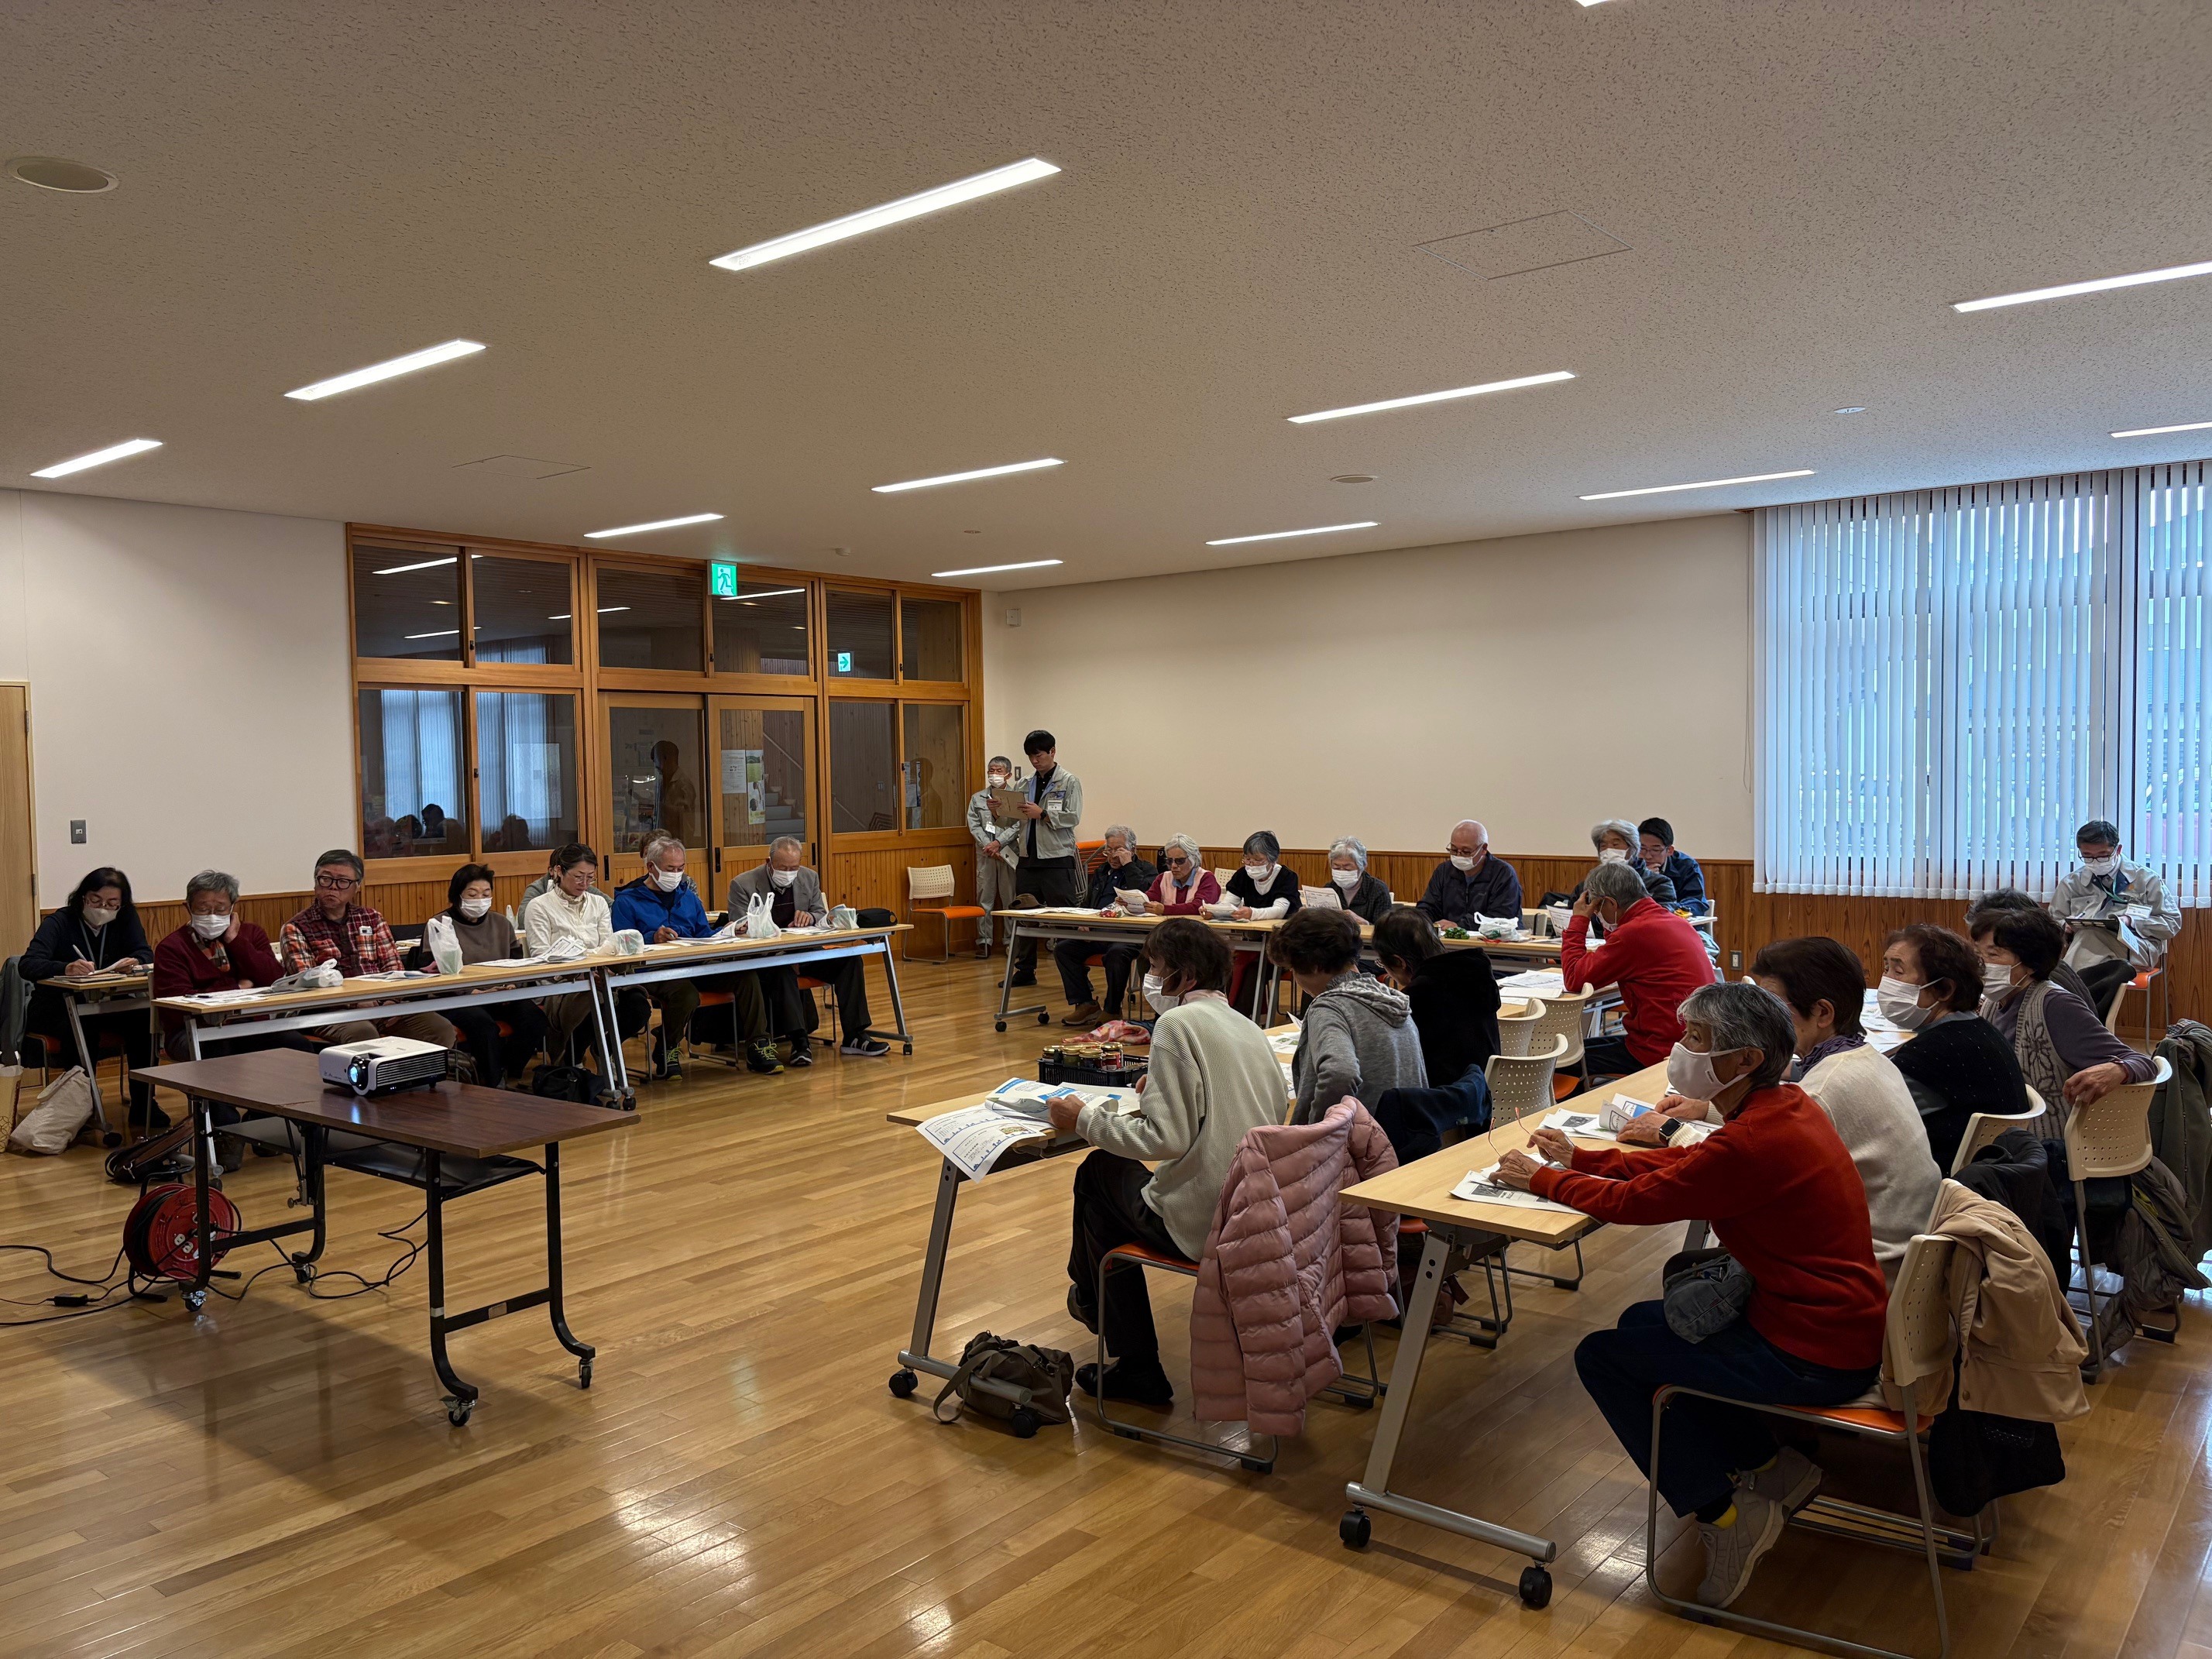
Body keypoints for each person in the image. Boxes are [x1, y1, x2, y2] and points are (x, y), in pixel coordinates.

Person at [1492, 981, 1887, 1611]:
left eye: (1696, 1039)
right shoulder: (1785, 1108)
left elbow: (1639, 1203)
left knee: (1602, 1357)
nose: (1682, 1049)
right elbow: (1687, 1170)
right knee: (1639, 1323)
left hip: (1812, 1354)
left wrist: (1546, 1179)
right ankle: (1769, 1467)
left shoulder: (1750, 1140)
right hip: (1835, 1328)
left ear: (1745, 1059)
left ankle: (1726, 1516)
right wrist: (1583, 1162)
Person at [1049, 919, 1286, 1407]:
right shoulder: (1249, 1027)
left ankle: (1099, 1309)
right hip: (1256, 1208)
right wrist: (1162, 1087)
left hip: (1205, 1217)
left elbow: (1165, 1139)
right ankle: (1116, 1337)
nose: (1150, 979)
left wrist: (1084, 1118)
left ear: (1185, 975)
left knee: (1098, 1172)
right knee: (1104, 1207)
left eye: (1156, 968)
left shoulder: (1177, 1025)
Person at [1735, 937, 1941, 1281]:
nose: (1761, 1020)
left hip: (1864, 1275)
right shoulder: (1868, 1058)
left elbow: (1742, 1169)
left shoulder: (1823, 1090)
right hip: (1906, 1261)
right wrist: (1708, 1111)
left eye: (1773, 1007)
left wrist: (1673, 1131)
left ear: (1822, 1013)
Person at [152, 869, 298, 1166]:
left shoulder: (251, 935)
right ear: (188, 908)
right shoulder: (172, 947)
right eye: (203, 909)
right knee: (216, 1052)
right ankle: (225, 1131)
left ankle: (263, 1122)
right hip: (191, 1033)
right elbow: (178, 1003)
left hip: (248, 1028)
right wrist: (239, 987)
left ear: (233, 908)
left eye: (220, 909)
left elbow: (273, 979)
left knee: (295, 1045)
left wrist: (234, 940)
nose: (212, 916)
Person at [610, 835, 780, 1077]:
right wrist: (651, 937)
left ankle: (758, 1045)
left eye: (680, 868)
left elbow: (703, 935)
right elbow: (621, 942)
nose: (676, 874)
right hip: (652, 971)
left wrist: (728, 931)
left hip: (694, 963)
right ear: (651, 867)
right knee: (686, 994)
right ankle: (667, 1047)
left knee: (747, 978)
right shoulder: (628, 900)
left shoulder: (688, 897)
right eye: (670, 869)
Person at [1971, 906, 2156, 1123]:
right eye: (1977, 954)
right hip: (2007, 1126)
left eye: (1993, 954)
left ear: (2031, 964)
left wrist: (2118, 1069)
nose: (1980, 963)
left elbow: (2143, 1062)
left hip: (2046, 1136)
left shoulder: (2055, 1005)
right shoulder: (1993, 1003)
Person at [1879, 923, 2030, 1173]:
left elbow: (1869, 1115)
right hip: (1997, 1173)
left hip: (1951, 1180)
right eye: (1886, 969)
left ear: (1944, 989)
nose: (1887, 981)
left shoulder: (1933, 1053)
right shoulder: (1977, 1028)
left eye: (1899, 971)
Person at [726, 836, 891, 1058]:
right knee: (783, 971)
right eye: (783, 868)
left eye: (794, 868)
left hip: (806, 953)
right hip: (768, 959)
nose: (789, 873)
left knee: (850, 961)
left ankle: (855, 1035)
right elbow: (740, 927)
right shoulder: (743, 884)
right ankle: (800, 1041)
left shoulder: (809, 877)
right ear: (769, 862)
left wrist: (811, 917)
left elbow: (821, 913)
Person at [279, 850, 458, 1053]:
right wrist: (354, 1003)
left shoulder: (372, 918)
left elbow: (394, 968)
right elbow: (309, 985)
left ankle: (419, 1073)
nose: (333, 887)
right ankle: (375, 1074)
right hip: (330, 1011)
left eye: (342, 881)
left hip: (381, 1004)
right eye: (325, 879)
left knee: (440, 1029)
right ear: (315, 882)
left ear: (357, 886)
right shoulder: (296, 928)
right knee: (364, 1034)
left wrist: (391, 1000)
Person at [23, 867, 159, 1129]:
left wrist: (135, 961)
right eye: (96, 901)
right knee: (83, 1027)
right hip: (58, 1007)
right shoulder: (60, 921)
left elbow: (145, 953)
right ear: (83, 897)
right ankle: (81, 1108)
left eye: (112, 903)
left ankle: (145, 1103)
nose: (103, 908)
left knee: (145, 1020)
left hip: (107, 1004)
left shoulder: (126, 919)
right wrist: (65, 968)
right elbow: (28, 964)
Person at [1561, 859, 1713, 1079]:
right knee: (1576, 1050)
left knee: (1560, 1061)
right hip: (1690, 1043)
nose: (1595, 914)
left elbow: (1574, 979)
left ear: (1610, 903)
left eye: (1597, 908)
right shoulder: (1672, 921)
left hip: (1660, 1051)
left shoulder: (1634, 933)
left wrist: (1578, 921)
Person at [1272, 908, 1425, 1124]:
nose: (1296, 979)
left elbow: (1340, 1072)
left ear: (1314, 966)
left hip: (1359, 1137)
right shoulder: (1392, 999)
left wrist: (1318, 1129)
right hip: (1402, 1132)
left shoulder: (1329, 1007)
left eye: (1294, 969)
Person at [521, 842, 648, 1103]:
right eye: (579, 876)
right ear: (558, 871)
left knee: (637, 1005)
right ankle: (573, 1060)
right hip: (561, 987)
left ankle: (604, 1051)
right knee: (596, 1001)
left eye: (590, 877)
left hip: (599, 979)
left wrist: (607, 967)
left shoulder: (598, 903)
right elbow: (541, 957)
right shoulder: (539, 906)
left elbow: (606, 945)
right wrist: (579, 974)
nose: (585, 883)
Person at [426, 864, 548, 1089]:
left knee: (535, 1019)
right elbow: (431, 975)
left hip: (499, 994)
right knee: (484, 1027)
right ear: (457, 895)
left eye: (486, 894)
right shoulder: (439, 925)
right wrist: (471, 991)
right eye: (472, 895)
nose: (480, 900)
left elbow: (517, 963)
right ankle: (493, 1082)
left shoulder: (501, 924)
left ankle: (508, 1071)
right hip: (458, 998)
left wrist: (512, 985)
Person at [2049, 819, 2182, 1016]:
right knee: (2090, 935)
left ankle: (2066, 1006)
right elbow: (2052, 922)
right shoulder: (2071, 883)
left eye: (2103, 856)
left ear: (2118, 850)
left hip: (2135, 947)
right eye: (2087, 856)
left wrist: (2132, 921)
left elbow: (2172, 923)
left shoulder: (2146, 880)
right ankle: (2089, 1017)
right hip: (2083, 947)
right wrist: (2065, 926)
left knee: (2090, 936)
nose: (2095, 862)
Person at [1372, 905, 1499, 1087]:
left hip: (1446, 1098)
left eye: (1382, 963)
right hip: (1485, 1091)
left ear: (1399, 962)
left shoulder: (1415, 998)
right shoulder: (1475, 972)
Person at [1056, 826, 1158, 1027]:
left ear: (1132, 850)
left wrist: (1128, 866)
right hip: (1098, 931)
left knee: (1117, 954)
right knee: (1064, 949)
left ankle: (1112, 1009)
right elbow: (1087, 903)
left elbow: (1144, 896)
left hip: (1129, 935)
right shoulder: (1102, 871)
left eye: (1118, 850)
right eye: (1108, 850)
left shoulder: (1147, 870)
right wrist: (1083, 922)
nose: (1113, 856)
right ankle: (1085, 1004)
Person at [1007, 730, 1083, 989]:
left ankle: (1075, 971)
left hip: (1057, 858)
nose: (1035, 761)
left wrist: (1043, 814)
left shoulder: (1069, 781)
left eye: (1039, 755)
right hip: (1027, 858)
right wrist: (1001, 811)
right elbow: (1014, 819)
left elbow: (1073, 817)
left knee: (1065, 916)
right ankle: (1025, 970)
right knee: (1025, 914)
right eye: (1031, 756)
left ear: (1052, 752)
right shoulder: (1024, 783)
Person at [1964, 890, 2100, 1009]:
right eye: (1978, 951)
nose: (1981, 962)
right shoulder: (2035, 972)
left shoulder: (2047, 992)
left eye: (1992, 953)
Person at [965, 755, 1022, 958]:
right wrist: (989, 846)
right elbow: (974, 825)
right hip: (986, 854)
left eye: (999, 771)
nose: (994, 774)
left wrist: (999, 842)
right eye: (991, 770)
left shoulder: (1016, 798)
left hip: (1008, 853)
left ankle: (1011, 941)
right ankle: (984, 941)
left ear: (1008, 774)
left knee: (1010, 898)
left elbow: (1018, 825)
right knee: (985, 898)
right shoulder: (978, 798)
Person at [1416, 819, 1522, 927]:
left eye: (1466, 852)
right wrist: (1421, 921)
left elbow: (1501, 917)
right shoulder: (1444, 871)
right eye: (1454, 850)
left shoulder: (1503, 874)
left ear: (1483, 849)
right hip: (1448, 936)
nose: (1458, 856)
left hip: (1491, 936)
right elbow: (1429, 907)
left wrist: (1459, 926)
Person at [1575, 819, 1677, 907]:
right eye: (1603, 846)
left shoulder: (1659, 884)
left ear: (1633, 848)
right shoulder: (1588, 885)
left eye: (1615, 844)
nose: (1608, 850)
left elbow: (1662, 916)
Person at [1638, 818, 1710, 915]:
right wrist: (1644, 878)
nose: (1648, 856)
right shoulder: (1631, 864)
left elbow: (1696, 901)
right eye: (1642, 848)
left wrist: (1667, 909)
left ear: (1670, 850)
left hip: (1675, 920)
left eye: (1655, 850)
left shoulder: (1686, 866)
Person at [1143, 833, 1221, 915]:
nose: (1173, 866)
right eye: (1169, 861)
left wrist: (1164, 910)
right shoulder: (1163, 878)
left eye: (1180, 861)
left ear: (1193, 859)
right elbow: (1147, 900)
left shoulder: (1206, 878)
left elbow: (1199, 907)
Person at [1321, 837, 1393, 923]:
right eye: (1336, 867)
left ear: (1362, 866)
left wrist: (1365, 924)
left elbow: (1384, 929)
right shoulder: (1329, 889)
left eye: (1347, 868)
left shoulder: (1377, 890)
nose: (1341, 871)